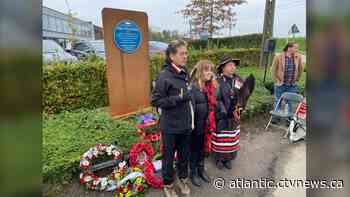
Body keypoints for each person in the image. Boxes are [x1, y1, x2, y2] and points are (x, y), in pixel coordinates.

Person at [151, 40, 193, 197]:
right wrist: (178, 98)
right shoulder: (164, 76)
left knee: (184, 156)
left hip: (185, 124)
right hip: (170, 127)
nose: (185, 56)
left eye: (186, 53)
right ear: (171, 56)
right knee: (168, 159)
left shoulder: (184, 72)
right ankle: (168, 185)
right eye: (182, 53)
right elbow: (155, 101)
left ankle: (182, 180)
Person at [188, 60, 216, 187]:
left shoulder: (210, 87)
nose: (209, 72)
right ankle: (193, 172)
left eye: (210, 69)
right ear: (199, 72)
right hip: (196, 127)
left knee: (203, 149)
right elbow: (191, 110)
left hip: (206, 125)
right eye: (206, 69)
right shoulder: (193, 88)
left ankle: (201, 169)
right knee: (195, 150)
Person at [212, 55, 243, 170]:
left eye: (233, 65)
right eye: (230, 65)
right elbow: (215, 98)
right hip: (221, 114)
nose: (233, 67)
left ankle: (229, 158)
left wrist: (238, 112)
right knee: (221, 137)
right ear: (223, 68)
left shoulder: (238, 80)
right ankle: (220, 158)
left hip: (235, 113)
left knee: (232, 136)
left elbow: (242, 97)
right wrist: (222, 111)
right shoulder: (217, 81)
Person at [271, 42, 304, 114]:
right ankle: (276, 117)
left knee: (290, 102)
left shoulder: (298, 57)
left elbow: (301, 69)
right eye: (295, 48)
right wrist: (276, 80)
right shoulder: (278, 57)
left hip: (292, 85)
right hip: (280, 84)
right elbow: (273, 69)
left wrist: (297, 79)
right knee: (278, 100)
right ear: (289, 48)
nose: (297, 49)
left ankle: (289, 118)